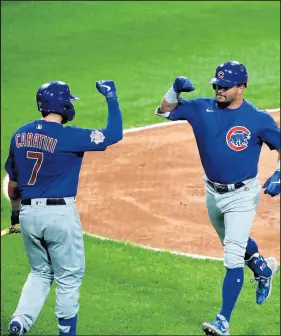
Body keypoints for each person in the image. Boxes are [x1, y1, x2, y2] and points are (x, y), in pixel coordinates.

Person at [154, 61, 280, 336]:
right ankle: (264, 268)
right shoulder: (201, 107)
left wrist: (279, 173)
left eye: (225, 86)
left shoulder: (257, 119)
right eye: (216, 84)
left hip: (243, 194)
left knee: (232, 256)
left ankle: (223, 320)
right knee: (235, 242)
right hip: (212, 191)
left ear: (241, 88)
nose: (218, 89)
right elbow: (165, 110)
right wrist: (174, 90)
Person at [5, 79, 123, 336]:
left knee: (40, 272)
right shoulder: (69, 136)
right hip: (59, 215)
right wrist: (111, 97)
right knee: (68, 278)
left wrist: (15, 214)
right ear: (62, 104)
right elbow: (114, 134)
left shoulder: (20, 135)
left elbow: (13, 187)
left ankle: (20, 322)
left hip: (28, 214)